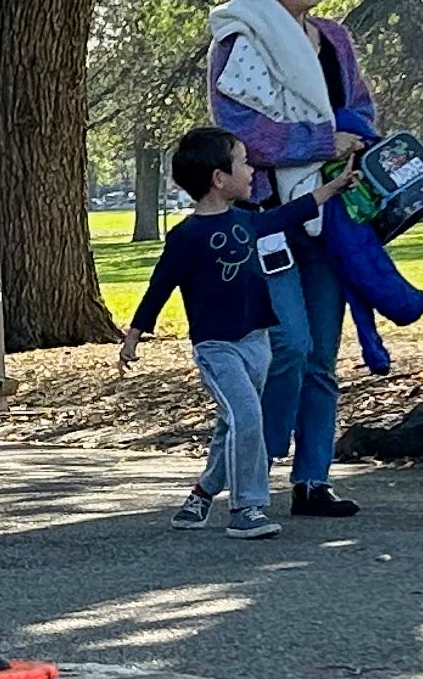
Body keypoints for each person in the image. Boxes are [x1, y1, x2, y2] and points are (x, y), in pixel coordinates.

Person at [206, 0, 372, 518]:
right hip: (270, 216)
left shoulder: (335, 40)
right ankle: (258, 451)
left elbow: (361, 109)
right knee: (290, 346)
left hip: (333, 212)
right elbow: (245, 135)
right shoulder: (239, 38)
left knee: (324, 353)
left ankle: (313, 481)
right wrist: (323, 139)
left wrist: (353, 145)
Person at [117, 127, 328, 541]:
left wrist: (333, 187)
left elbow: (287, 214)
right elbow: (159, 287)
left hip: (256, 342)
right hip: (216, 348)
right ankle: (246, 507)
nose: (251, 171)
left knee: (233, 424)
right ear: (219, 178)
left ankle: (201, 493)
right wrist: (134, 335)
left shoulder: (249, 222)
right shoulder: (185, 237)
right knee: (247, 416)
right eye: (244, 163)